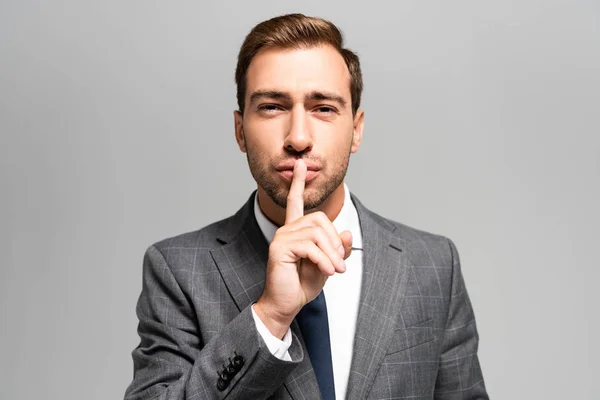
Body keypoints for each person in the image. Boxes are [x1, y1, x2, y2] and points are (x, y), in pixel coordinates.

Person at [124, 13, 488, 400]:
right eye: (272, 107)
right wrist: (269, 317)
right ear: (239, 130)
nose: (298, 138)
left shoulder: (433, 264)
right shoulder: (178, 269)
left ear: (357, 130)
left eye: (324, 108)